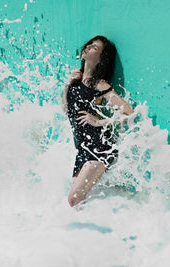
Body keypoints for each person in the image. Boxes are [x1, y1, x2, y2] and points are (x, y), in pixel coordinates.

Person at [61, 36, 134, 207]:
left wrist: (98, 121)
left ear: (101, 59)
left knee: (73, 199)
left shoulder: (100, 85)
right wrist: (67, 85)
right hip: (82, 149)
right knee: (80, 203)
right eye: (89, 44)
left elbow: (128, 112)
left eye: (94, 47)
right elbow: (66, 110)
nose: (88, 47)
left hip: (100, 148)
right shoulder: (75, 81)